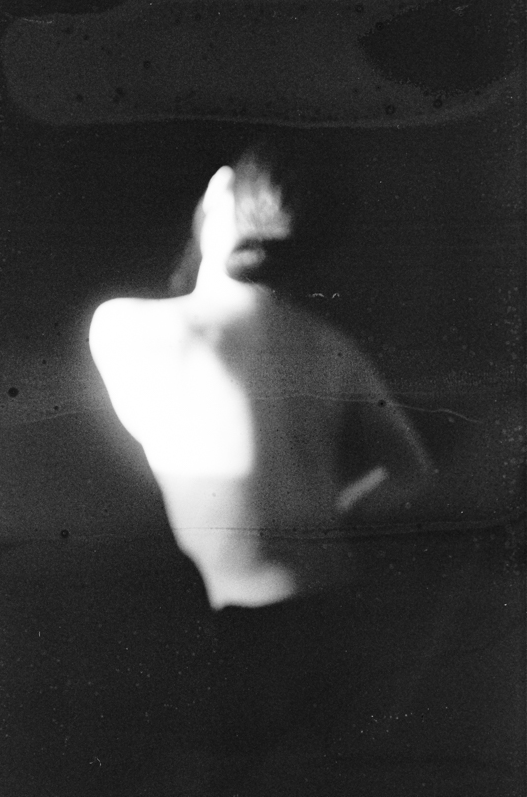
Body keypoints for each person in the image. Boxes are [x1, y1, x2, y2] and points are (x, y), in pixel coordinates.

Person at [89, 140, 432, 611]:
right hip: (340, 599)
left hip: (250, 616)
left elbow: (157, 435)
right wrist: (326, 513)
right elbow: (411, 471)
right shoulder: (334, 347)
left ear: (220, 189)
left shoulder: (127, 327)